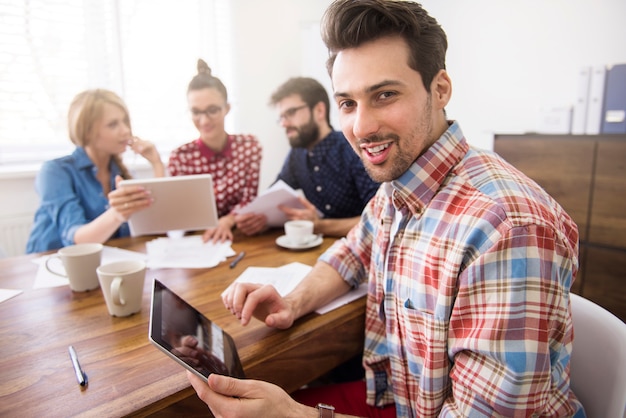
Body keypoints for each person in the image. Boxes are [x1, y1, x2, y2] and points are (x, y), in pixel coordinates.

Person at [188, 0, 586, 417]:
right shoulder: (400, 184)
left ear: (441, 89)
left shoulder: (506, 231)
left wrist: (293, 415)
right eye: (347, 103)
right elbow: (352, 254)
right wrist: (293, 301)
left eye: (385, 95)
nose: (360, 127)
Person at [235, 77, 379, 238]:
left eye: (291, 113)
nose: (284, 123)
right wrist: (260, 220)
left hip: (363, 253)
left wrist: (319, 226)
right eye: (281, 117)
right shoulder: (296, 155)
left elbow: (379, 219)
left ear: (319, 110)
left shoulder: (353, 150)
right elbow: (272, 198)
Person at [26, 89, 164, 254]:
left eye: (125, 121)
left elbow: (154, 225)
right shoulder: (55, 172)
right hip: (52, 266)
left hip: (103, 263)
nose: (126, 130)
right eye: (113, 124)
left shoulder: (123, 174)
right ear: (88, 131)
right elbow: (76, 241)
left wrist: (156, 164)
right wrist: (117, 214)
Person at [168, 59, 262, 242]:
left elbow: (249, 200)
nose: (204, 121)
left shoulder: (249, 147)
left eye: (212, 110)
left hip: (238, 236)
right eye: (196, 112)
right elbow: (181, 212)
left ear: (227, 108)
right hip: (197, 241)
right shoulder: (180, 158)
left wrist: (228, 220)